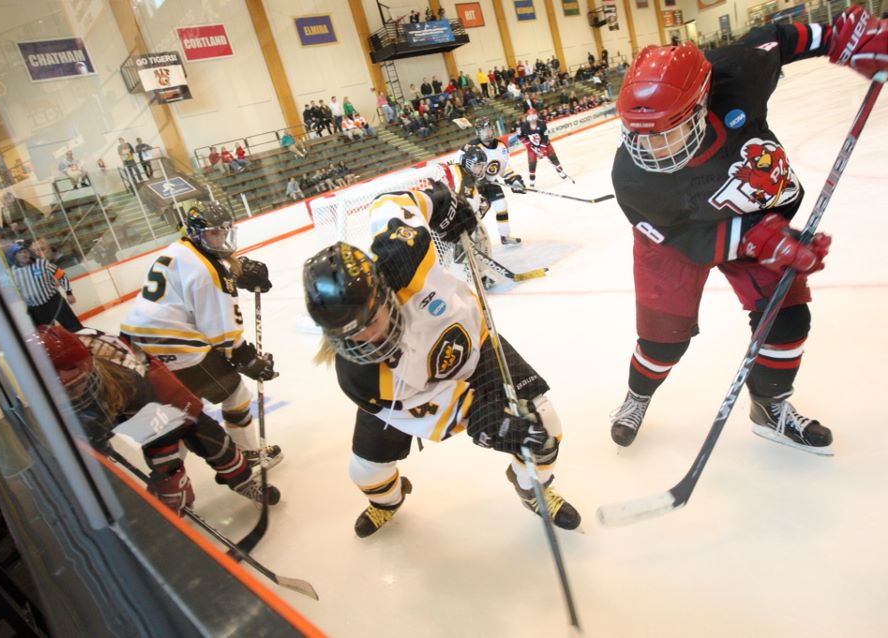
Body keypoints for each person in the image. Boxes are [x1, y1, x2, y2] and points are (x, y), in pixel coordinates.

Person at [607, 7, 888, 453]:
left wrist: (840, 37)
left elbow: (776, 36)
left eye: (667, 133)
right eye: (640, 135)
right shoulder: (632, 178)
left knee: (789, 314)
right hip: (679, 240)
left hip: (756, 216)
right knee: (663, 342)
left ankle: (769, 406)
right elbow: (686, 242)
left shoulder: (737, 75)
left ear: (702, 100)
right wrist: (766, 240)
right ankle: (638, 395)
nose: (651, 150)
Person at [301, 183, 580, 537]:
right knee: (366, 470)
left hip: (476, 348)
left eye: (371, 321)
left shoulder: (404, 254)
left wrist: (443, 204)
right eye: (349, 335)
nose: (366, 341)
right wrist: (490, 423)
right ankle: (387, 502)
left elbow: (391, 201)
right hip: (410, 393)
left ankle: (532, 488)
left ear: (383, 292)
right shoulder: (362, 377)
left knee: (544, 422)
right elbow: (453, 411)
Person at [35, 325, 278, 513]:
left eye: (76, 386)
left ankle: (242, 480)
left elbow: (161, 433)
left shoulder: (126, 378)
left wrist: (170, 477)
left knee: (198, 428)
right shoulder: (39, 391)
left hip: (144, 383)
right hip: (111, 397)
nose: (74, 394)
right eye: (64, 392)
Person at [120, 201, 284, 468]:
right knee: (234, 395)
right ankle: (246, 452)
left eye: (224, 231)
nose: (221, 237)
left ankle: (170, 477)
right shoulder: (206, 272)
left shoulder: (180, 248)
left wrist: (236, 272)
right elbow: (222, 334)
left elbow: (198, 275)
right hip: (171, 345)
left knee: (177, 411)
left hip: (135, 343)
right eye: (213, 233)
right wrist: (248, 359)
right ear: (197, 234)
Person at [454, 117, 527, 246]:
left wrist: (513, 179)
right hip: (474, 186)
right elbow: (456, 165)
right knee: (475, 213)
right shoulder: (470, 146)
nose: (487, 133)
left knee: (502, 206)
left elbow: (503, 167)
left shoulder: (501, 146)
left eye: (489, 130)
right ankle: (465, 242)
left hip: (491, 183)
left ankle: (505, 236)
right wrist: (472, 180)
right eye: (483, 131)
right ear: (478, 132)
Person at [8, 241, 82, 332]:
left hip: (54, 302)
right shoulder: (12, 272)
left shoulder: (43, 264)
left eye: (25, 251)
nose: (23, 254)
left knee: (74, 327)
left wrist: (69, 293)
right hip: (36, 309)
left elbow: (61, 276)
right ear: (14, 256)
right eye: (19, 252)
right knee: (48, 337)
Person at [516, 108, 569, 187]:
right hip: (532, 147)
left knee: (553, 158)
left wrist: (541, 151)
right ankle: (532, 180)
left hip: (545, 146)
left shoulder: (542, 124)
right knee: (532, 163)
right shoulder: (524, 126)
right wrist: (528, 145)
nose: (532, 118)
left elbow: (545, 138)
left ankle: (560, 171)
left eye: (533, 115)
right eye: (530, 116)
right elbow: (520, 136)